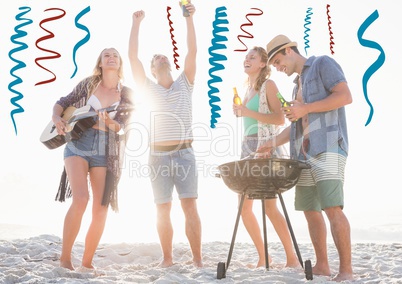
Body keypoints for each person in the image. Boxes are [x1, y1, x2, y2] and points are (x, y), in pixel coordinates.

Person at [257, 34, 353, 281]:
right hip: (303, 153)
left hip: (329, 146)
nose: (278, 69)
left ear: (289, 50)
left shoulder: (322, 63)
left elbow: (344, 96)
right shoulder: (295, 85)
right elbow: (297, 125)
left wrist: (305, 108)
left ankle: (346, 271)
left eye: (278, 62)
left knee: (332, 207)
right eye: (275, 66)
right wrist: (271, 142)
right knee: (310, 210)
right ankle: (323, 266)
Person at [128, 3, 202, 268]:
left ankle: (197, 259)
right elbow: (133, 58)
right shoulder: (147, 88)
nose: (160, 57)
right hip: (157, 155)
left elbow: (192, 50)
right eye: (155, 58)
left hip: (185, 153)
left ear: (169, 63)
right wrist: (136, 24)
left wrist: (189, 18)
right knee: (162, 209)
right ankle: (167, 258)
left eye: (163, 56)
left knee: (189, 207)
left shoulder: (185, 83)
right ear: (152, 69)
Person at [52, 47, 134, 271]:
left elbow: (124, 128)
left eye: (115, 55)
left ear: (119, 63)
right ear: (100, 62)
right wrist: (57, 118)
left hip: (106, 148)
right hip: (79, 142)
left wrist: (109, 123)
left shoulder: (126, 94)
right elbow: (63, 101)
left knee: (101, 208)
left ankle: (86, 263)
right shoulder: (88, 84)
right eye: (106, 55)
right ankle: (65, 259)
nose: (111, 57)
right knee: (80, 199)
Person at [232, 46, 300, 268]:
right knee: (244, 208)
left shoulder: (268, 85)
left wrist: (247, 112)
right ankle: (264, 257)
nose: (247, 59)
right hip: (248, 146)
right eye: (245, 57)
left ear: (263, 64)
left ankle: (292, 259)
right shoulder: (247, 91)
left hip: (265, 145)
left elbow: (280, 119)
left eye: (252, 57)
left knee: (270, 207)